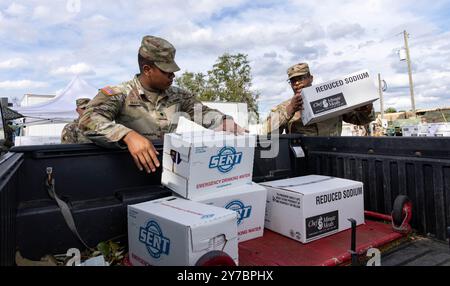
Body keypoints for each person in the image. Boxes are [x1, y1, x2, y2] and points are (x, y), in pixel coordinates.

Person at [80, 35, 244, 174]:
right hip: (131, 173)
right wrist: (127, 135)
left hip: (169, 171)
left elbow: (203, 113)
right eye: (166, 71)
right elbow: (88, 119)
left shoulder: (179, 96)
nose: (172, 75)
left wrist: (223, 121)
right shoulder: (120, 93)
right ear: (147, 69)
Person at [265, 63, 375, 136]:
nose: (297, 83)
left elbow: (360, 120)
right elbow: (267, 132)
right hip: (301, 160)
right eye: (293, 81)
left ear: (310, 78)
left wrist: (367, 109)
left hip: (332, 155)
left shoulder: (331, 98)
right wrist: (289, 110)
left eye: (301, 78)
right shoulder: (286, 107)